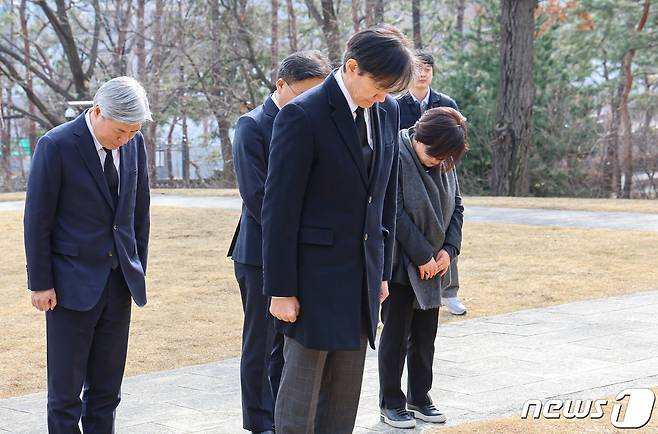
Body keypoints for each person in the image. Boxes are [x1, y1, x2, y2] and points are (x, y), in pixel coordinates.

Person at [261, 26, 414, 433]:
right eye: (379, 86)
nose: (382, 96)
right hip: (311, 278)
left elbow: (385, 195)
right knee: (300, 398)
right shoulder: (302, 114)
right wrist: (280, 289)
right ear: (351, 68)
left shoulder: (388, 110)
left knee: (344, 398)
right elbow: (278, 209)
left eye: (390, 90)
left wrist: (382, 271)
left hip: (361, 276)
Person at [24, 76, 151, 433]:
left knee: (107, 391)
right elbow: (38, 220)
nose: (126, 139)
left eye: (133, 131)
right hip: (69, 287)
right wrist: (41, 283)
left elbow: (139, 213)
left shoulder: (134, 144)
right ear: (98, 112)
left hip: (119, 283)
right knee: (66, 395)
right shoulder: (57, 145)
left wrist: (137, 267)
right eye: (121, 131)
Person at [227, 50, 332, 434]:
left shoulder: (311, 121)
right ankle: (259, 421)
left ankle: (283, 416)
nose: (311, 102)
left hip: (300, 249)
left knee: (285, 341)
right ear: (281, 85)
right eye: (304, 93)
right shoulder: (252, 125)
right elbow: (258, 198)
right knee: (260, 339)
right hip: (259, 251)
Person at [378, 107, 468, 428]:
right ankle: (391, 402)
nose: (437, 161)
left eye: (445, 157)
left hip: (436, 266)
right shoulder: (395, 154)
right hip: (400, 263)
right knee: (396, 335)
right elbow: (393, 211)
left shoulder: (444, 160)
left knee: (425, 336)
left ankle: (420, 397)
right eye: (432, 153)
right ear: (419, 136)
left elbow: (456, 206)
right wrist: (422, 256)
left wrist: (448, 251)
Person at [397, 50, 466, 316]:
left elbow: (454, 143)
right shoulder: (395, 103)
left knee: (446, 223)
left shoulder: (445, 102)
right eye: (419, 68)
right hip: (407, 175)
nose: (424, 73)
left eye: (428, 68)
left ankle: (450, 292)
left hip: (440, 179)